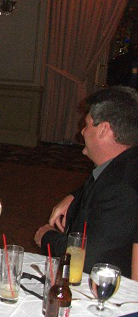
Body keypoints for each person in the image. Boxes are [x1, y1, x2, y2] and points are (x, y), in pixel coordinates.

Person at [34, 86, 138, 278]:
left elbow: (87, 259)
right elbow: (102, 181)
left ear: (104, 129)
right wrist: (74, 195)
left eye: (87, 125)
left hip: (106, 289)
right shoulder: (124, 165)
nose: (82, 132)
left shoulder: (121, 188)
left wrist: (46, 236)